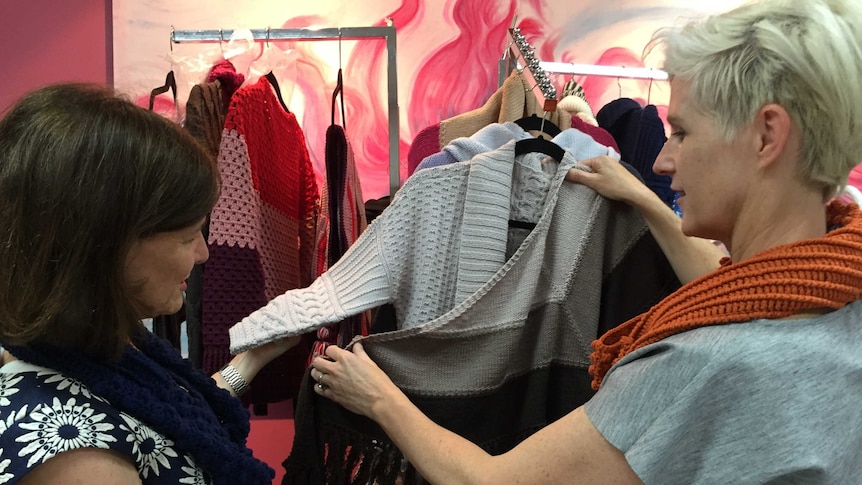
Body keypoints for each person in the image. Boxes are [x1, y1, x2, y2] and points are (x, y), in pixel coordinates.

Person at [307, 0, 862, 483]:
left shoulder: (694, 366)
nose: (663, 161)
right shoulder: (837, 299)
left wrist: (378, 398)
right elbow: (725, 285)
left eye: (684, 132)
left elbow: (490, 479)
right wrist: (645, 200)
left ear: (768, 135)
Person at [0, 83, 299, 484]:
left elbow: (165, 416)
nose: (203, 254)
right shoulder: (78, 457)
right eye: (186, 236)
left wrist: (253, 358)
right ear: (104, 247)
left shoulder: (90, 347)